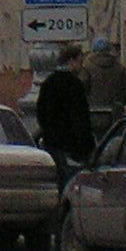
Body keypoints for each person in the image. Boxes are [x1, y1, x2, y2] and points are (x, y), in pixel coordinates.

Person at [37, 44, 95, 183]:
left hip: (52, 141)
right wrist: (86, 143)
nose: (81, 66)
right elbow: (80, 116)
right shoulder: (75, 84)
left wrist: (48, 133)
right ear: (71, 62)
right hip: (71, 143)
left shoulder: (48, 82)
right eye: (80, 62)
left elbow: (41, 112)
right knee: (71, 180)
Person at [82, 34, 126, 118]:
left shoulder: (87, 67)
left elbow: (82, 89)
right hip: (115, 115)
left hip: (93, 113)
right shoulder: (119, 68)